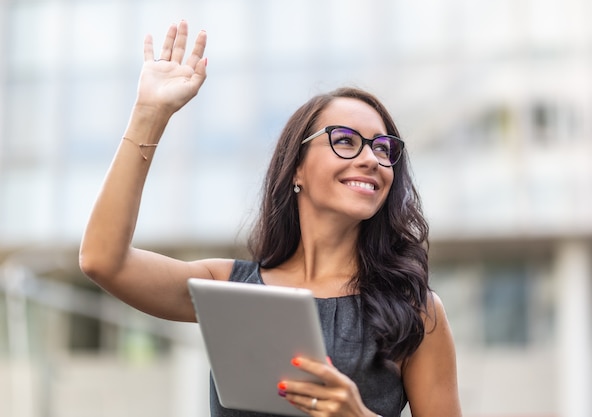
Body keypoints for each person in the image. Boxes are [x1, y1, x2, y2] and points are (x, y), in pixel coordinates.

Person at [79, 20, 462, 417]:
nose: (371, 159)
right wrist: (149, 113)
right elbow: (103, 260)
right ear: (296, 167)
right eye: (345, 141)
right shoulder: (230, 289)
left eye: (383, 149)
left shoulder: (415, 312)